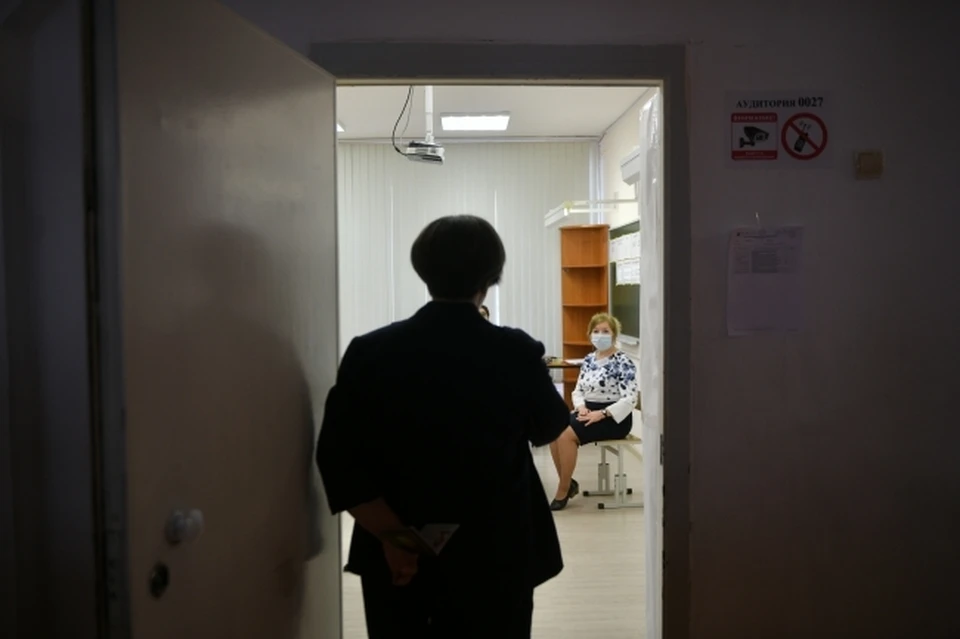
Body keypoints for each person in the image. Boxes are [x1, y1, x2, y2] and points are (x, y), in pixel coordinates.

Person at [316, 215, 570, 637]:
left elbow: (337, 458)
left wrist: (395, 539)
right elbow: (548, 426)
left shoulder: (371, 352)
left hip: (396, 551)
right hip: (495, 551)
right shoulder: (514, 352)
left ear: (423, 271)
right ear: (490, 277)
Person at [548, 313, 638, 511]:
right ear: (590, 334)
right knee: (553, 429)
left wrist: (602, 414)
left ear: (614, 335)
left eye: (605, 331)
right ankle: (568, 482)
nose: (600, 335)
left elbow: (630, 398)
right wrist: (581, 407)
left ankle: (563, 489)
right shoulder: (589, 359)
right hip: (588, 410)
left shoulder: (623, 361)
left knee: (565, 435)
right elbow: (578, 390)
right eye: (596, 331)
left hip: (613, 417)